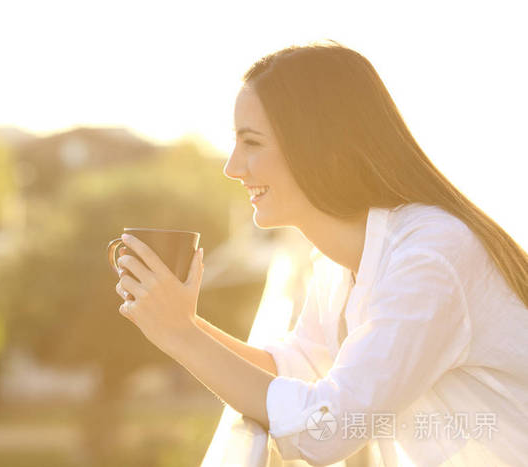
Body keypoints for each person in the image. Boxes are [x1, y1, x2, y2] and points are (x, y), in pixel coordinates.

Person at [113, 40, 528, 466]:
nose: (232, 167)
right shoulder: (335, 262)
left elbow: (323, 431)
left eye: (251, 142)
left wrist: (181, 337)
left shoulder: (432, 257)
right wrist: (181, 322)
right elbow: (299, 367)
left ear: (320, 145)